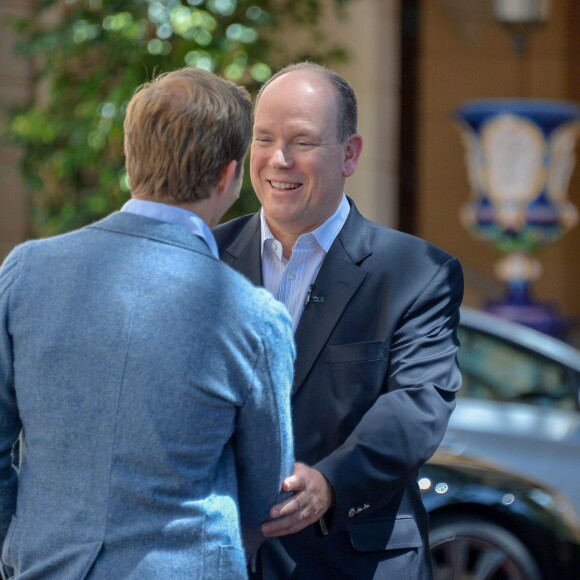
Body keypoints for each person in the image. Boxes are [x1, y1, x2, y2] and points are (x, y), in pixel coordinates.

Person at [0, 67, 295, 579]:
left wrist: (20, 545)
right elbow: (268, 492)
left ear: (129, 157)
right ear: (229, 175)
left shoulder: (26, 271)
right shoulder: (255, 317)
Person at [214, 61, 464, 579]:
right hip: (224, 560)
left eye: (302, 142)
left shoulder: (418, 273)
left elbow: (418, 405)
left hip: (356, 559)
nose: (278, 160)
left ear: (349, 154)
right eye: (263, 139)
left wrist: (330, 483)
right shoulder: (203, 259)